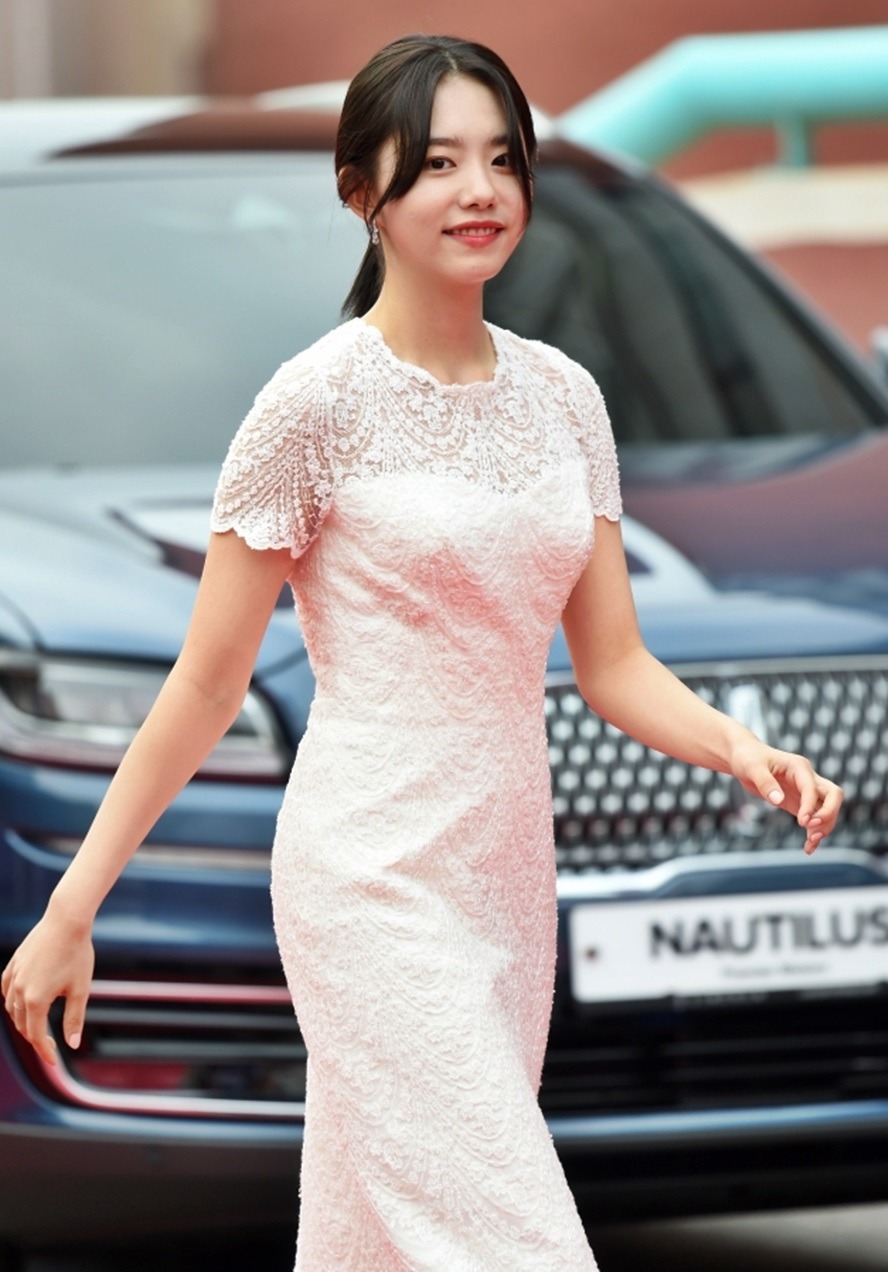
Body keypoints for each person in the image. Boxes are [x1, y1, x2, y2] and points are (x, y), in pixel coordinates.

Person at [2, 33, 842, 1272]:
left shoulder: (567, 399)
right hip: (368, 877)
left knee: (383, 1243)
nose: (480, 190)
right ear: (363, 190)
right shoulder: (312, 405)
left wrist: (742, 751)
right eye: (439, 162)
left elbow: (613, 665)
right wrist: (72, 908)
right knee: (513, 1240)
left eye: (503, 159)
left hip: (506, 875)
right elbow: (208, 680)